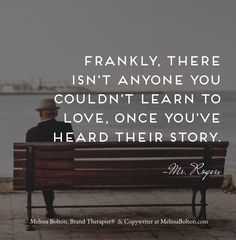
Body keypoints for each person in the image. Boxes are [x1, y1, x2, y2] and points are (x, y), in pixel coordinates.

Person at [26, 98, 74, 218]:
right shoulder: (66, 128)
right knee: (49, 170)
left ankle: (49, 209)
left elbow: (30, 159)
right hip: (65, 173)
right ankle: (50, 209)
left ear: (40, 113)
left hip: (43, 175)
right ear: (56, 113)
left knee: (43, 172)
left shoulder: (32, 133)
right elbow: (72, 150)